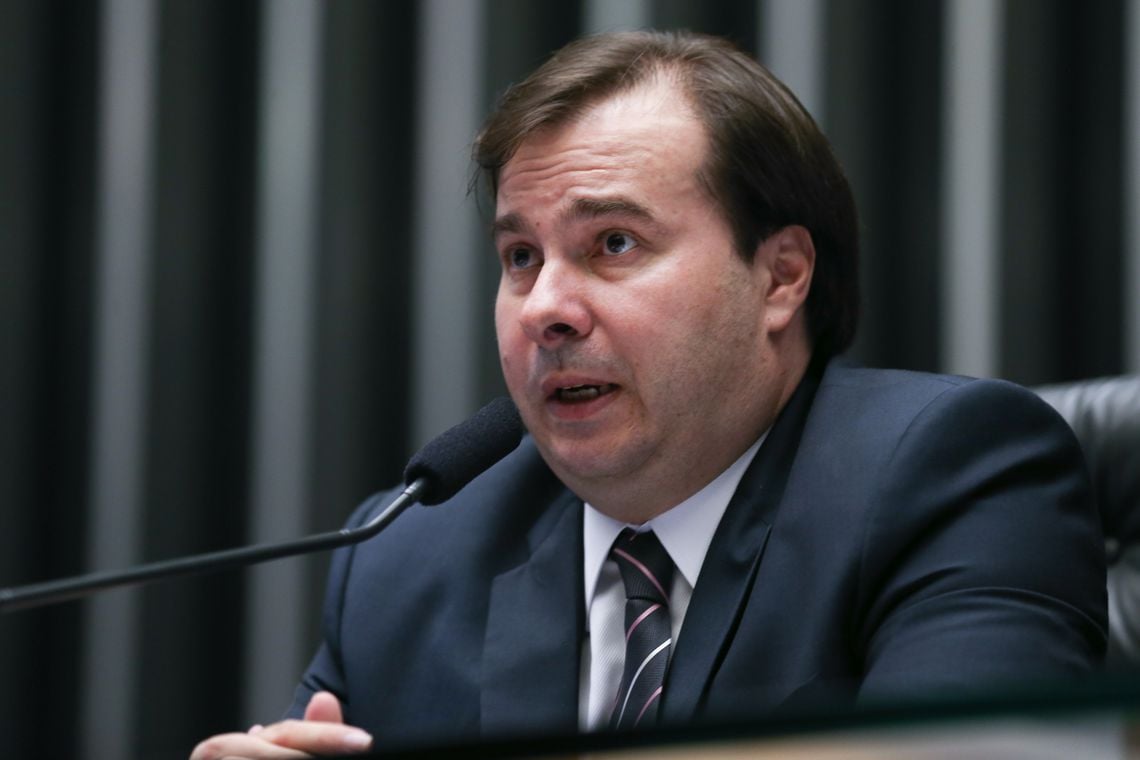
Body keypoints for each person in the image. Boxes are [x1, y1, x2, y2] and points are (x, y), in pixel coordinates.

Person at [192, 30, 1106, 759]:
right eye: (520, 257)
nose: (544, 306)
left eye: (614, 244)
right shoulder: (409, 558)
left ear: (780, 276)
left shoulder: (954, 476)